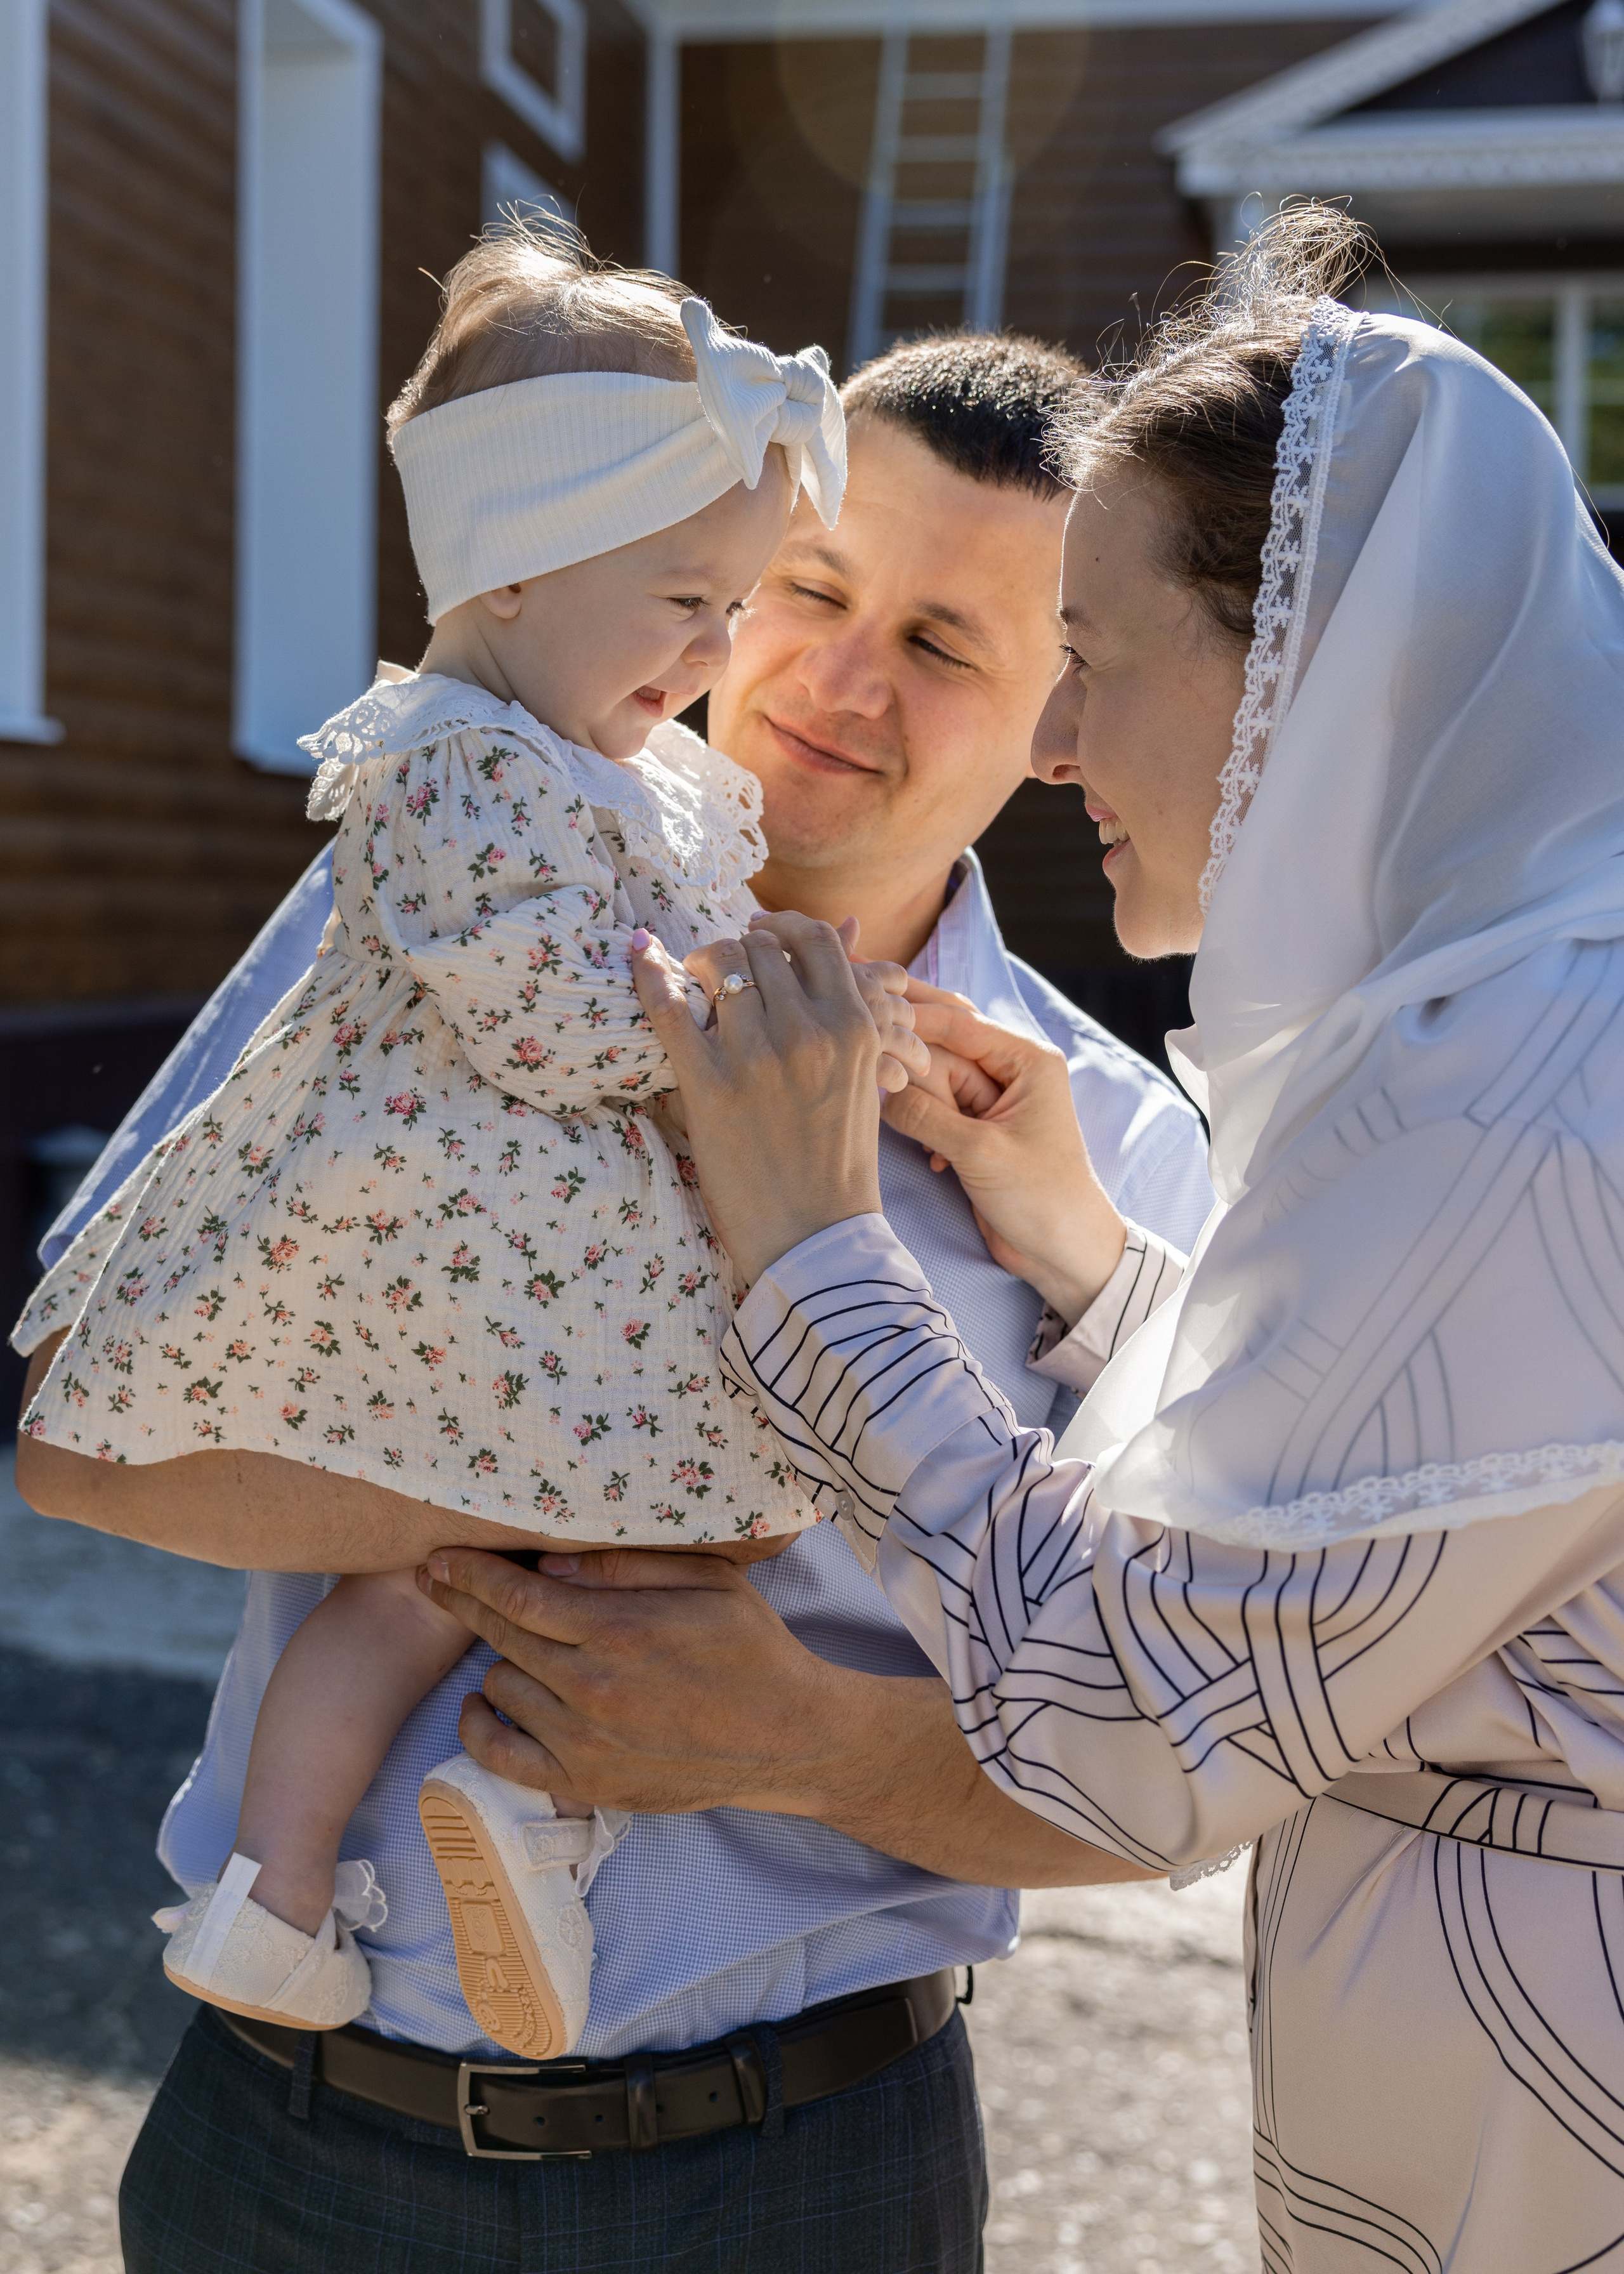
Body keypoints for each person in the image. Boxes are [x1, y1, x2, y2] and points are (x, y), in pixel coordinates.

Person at [16, 325, 1212, 2270]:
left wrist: (809, 1743)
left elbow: (1181, 1778)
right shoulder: (425, 906)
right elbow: (82, 1453)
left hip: (807, 2177)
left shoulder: (1108, 1163)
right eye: (808, 590)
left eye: (946, 647)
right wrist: (522, 1497)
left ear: (1050, 712)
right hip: (300, 2149)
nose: (835, 677)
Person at [568, 204, 1624, 2266]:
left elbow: (1153, 1723)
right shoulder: (1524, 1018)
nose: (1056, 753)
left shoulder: (1505, 1090)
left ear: (1309, 681)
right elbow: (1360, 1531)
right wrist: (1081, 1255)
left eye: (1092, 667)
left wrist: (814, 1256)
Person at [17, 233, 898, 2056]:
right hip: (463, 1273)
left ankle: (289, 1889)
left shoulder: (609, 763)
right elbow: (545, 1014)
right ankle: (500, 1810)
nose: (721, 650)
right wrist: (729, 1027)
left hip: (524, 1271)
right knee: (667, 1519)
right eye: (684, 598)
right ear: (510, 566)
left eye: (733, 603)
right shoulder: (453, 760)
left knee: (430, 1587)